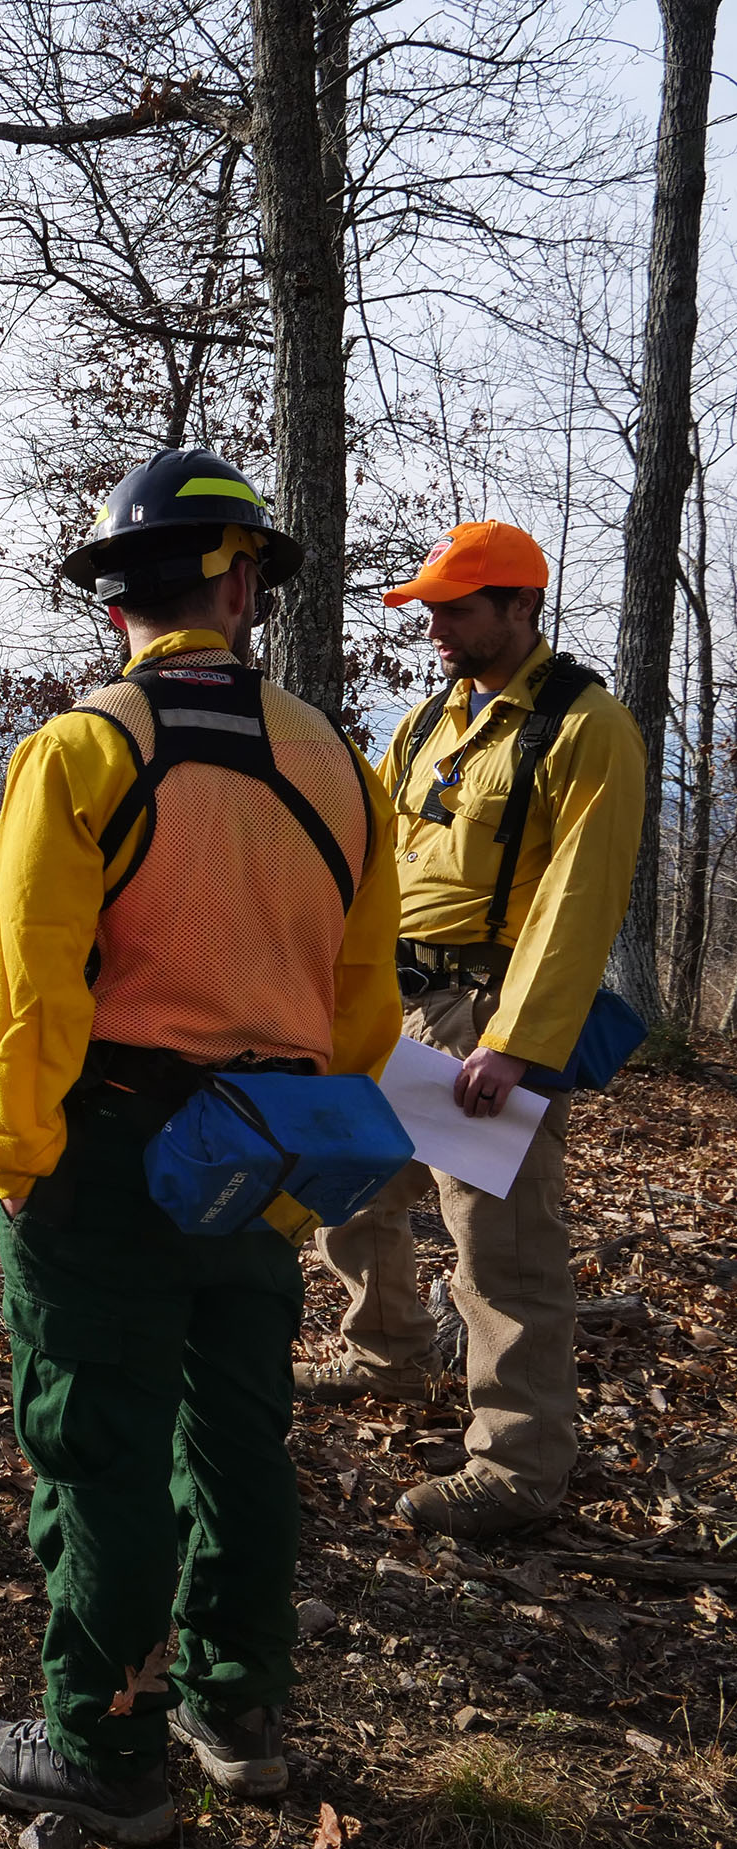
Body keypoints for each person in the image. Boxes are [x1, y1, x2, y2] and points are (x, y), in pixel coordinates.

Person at [0, 450, 401, 1844]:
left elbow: (29, 988)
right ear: (239, 581)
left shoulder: (86, 749)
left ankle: (104, 1745)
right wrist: (297, 1157)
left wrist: (16, 1149)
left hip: (105, 1141)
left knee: (99, 1443)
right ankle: (238, 1704)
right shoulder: (340, 758)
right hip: (262, 1143)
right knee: (238, 1432)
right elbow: (367, 1008)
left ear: (114, 609)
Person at [299, 522, 644, 1537]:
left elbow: (579, 899)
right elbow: (382, 868)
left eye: (455, 609)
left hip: (490, 1014)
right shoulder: (429, 724)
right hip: (397, 1001)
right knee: (349, 1185)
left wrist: (519, 1040)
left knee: (499, 1246)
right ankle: (386, 1355)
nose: (436, 628)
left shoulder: (582, 726)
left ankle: (519, 1462)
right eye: (430, 610)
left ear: (518, 607)